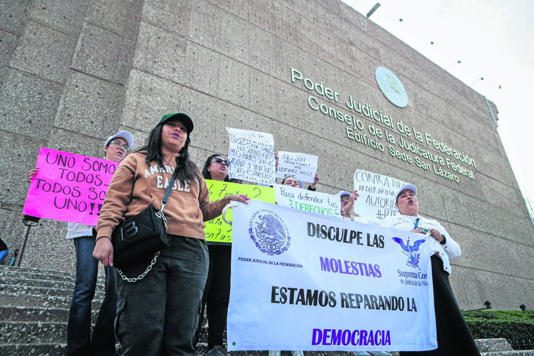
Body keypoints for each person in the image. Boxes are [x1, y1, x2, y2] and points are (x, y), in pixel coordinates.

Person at [93, 113, 249, 355]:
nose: (178, 130)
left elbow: (204, 210)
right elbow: (114, 201)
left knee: (182, 333)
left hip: (192, 251)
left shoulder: (193, 171)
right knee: (142, 331)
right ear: (159, 130)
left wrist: (226, 201)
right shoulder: (136, 160)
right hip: (145, 247)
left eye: (183, 130)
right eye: (172, 126)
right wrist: (104, 236)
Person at [27, 130, 134, 355]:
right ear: (106, 148)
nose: (121, 147)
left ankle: (103, 346)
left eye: (126, 146)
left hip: (114, 233)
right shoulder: (84, 169)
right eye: (116, 143)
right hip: (85, 230)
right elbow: (55, 184)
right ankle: (78, 348)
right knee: (85, 286)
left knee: (115, 289)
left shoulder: (130, 177)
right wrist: (40, 180)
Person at [381, 184, 479, 355]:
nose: (409, 197)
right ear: (397, 205)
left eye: (412, 194)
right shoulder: (389, 222)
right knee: (417, 320)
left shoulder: (433, 223)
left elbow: (456, 252)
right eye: (403, 196)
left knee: (446, 314)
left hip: (436, 270)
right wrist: (408, 235)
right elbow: (380, 242)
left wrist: (441, 239)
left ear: (417, 201)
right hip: (409, 273)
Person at [197, 154, 233, 356]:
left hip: (226, 250)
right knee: (198, 297)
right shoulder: (198, 185)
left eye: (227, 163)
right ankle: (189, 341)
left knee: (221, 297)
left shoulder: (237, 189)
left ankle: (216, 345)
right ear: (208, 167)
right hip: (202, 246)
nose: (223, 164)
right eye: (219, 161)